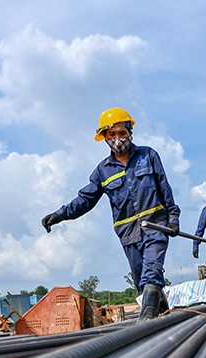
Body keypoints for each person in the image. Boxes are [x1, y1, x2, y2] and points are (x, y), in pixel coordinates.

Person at [41, 107, 180, 322]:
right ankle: (164, 317)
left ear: (130, 133)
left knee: (152, 272)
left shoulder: (148, 156)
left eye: (122, 133)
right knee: (141, 280)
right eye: (112, 134)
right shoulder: (102, 171)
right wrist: (60, 215)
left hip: (155, 226)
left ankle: (146, 323)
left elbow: (164, 188)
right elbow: (85, 200)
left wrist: (173, 218)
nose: (118, 139)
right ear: (105, 137)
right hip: (128, 234)